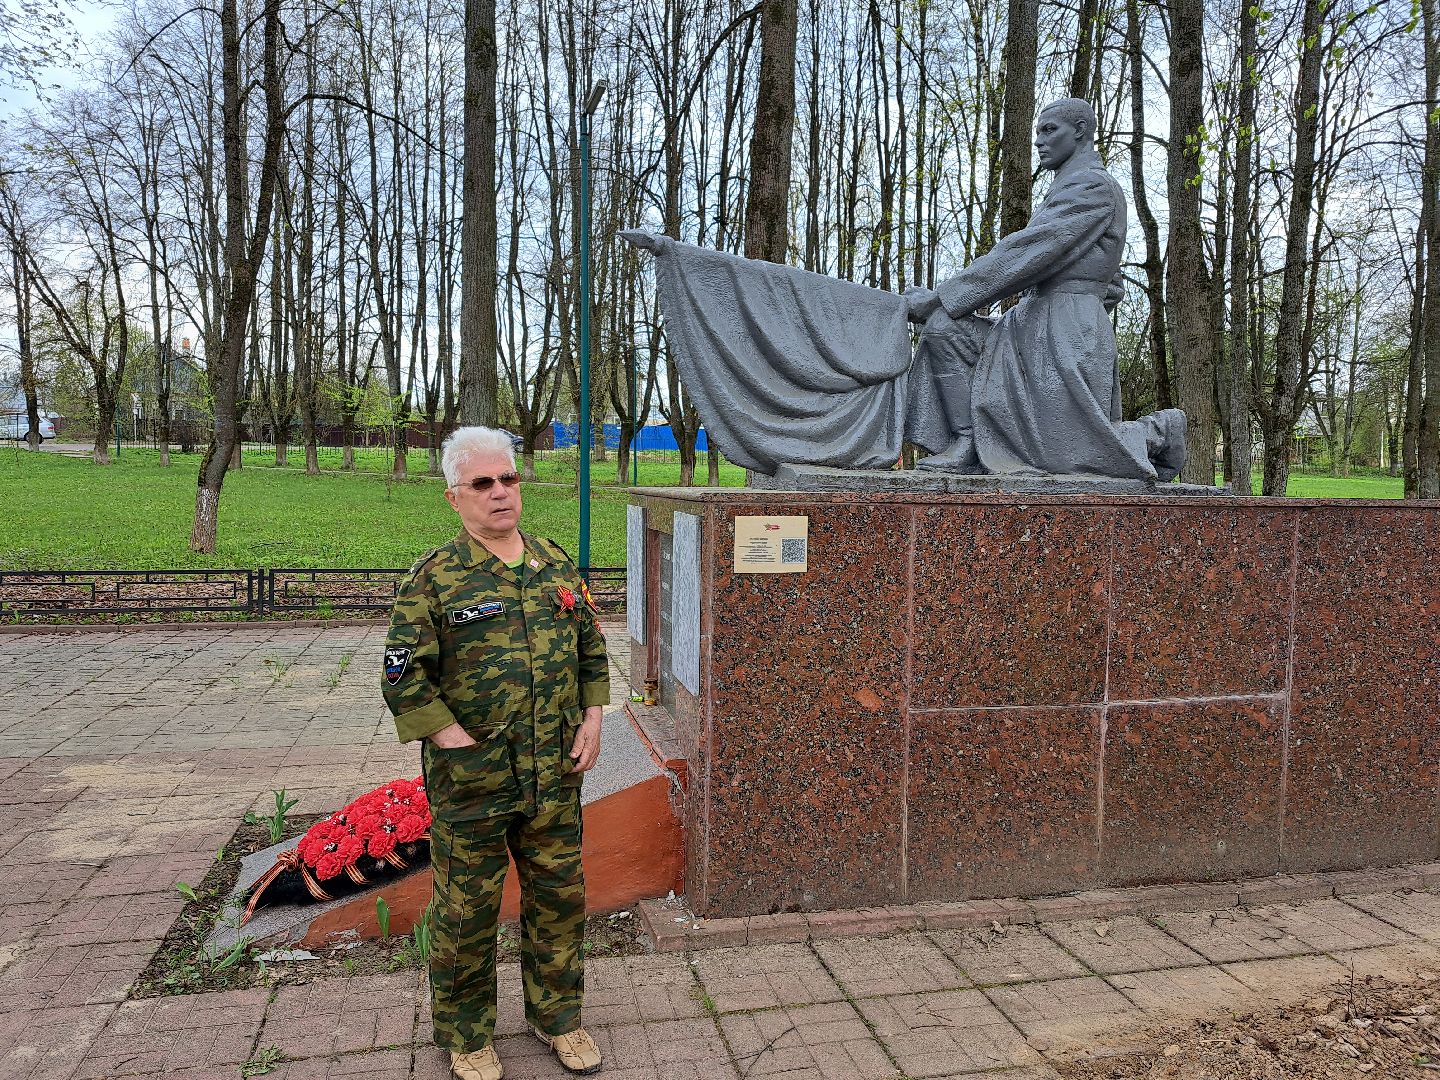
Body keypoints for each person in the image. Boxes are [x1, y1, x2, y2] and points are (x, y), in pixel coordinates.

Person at [382, 425, 609, 1080]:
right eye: (483, 483)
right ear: (456, 497)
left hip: (554, 776)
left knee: (560, 900)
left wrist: (593, 717)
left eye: (508, 479)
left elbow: (590, 648)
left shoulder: (553, 563)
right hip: (474, 786)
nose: (500, 493)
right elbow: (402, 675)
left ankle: (558, 1017)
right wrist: (453, 740)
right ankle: (467, 1033)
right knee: (467, 913)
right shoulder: (436, 578)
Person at [904, 97, 1186, 480]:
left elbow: (1028, 252)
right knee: (943, 329)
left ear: (1081, 131)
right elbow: (1111, 282)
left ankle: (1157, 431)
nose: (1039, 140)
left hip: (1065, 329)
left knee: (1066, 454)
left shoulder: (1093, 187)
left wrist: (942, 295)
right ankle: (969, 438)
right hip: (1031, 321)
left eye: (1050, 130)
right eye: (1038, 131)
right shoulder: (1068, 188)